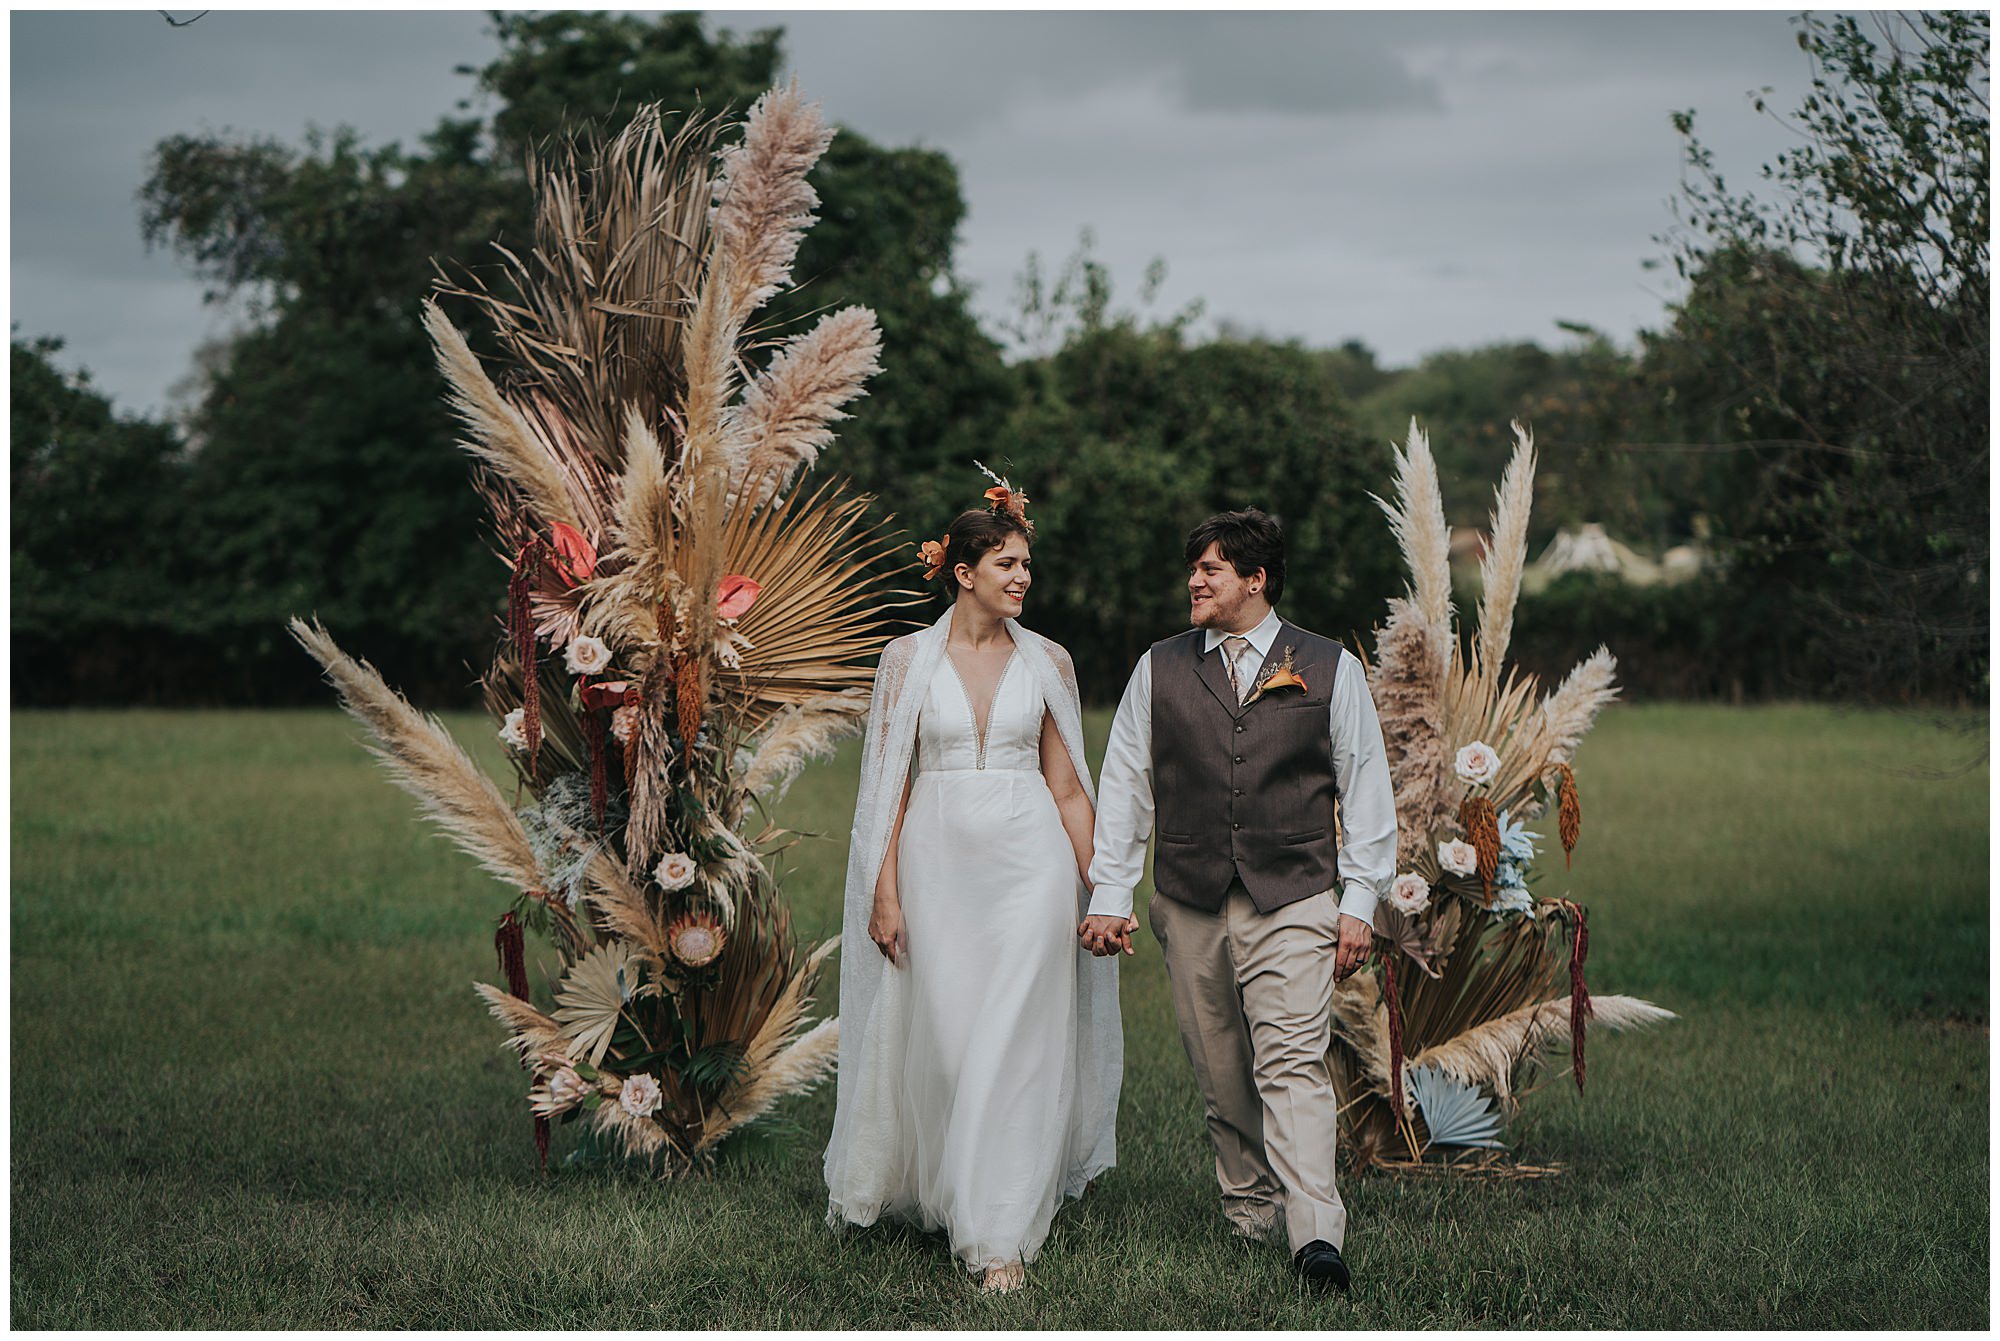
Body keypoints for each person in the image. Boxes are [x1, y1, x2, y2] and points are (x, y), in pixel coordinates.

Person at [1079, 507, 1395, 1294]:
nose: (1195, 579)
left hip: (1292, 897)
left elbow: (1365, 787)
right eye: (1194, 567)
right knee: (1221, 1070)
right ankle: (1251, 1208)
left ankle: (1315, 1232)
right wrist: (1112, 892)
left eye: (1211, 568)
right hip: (1188, 900)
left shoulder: (1328, 666)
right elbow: (1125, 784)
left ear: (1256, 580)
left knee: (1291, 1064)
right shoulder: (1158, 667)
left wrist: (1359, 901)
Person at [823, 474, 1121, 1294]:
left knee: (1015, 1045)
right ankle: (951, 1187)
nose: (1022, 577)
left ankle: (997, 1237)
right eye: (1006, 564)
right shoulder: (907, 661)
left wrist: (1105, 889)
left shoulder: (1050, 660)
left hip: (1034, 867)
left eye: (1027, 564)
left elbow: (1067, 788)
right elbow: (888, 789)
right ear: (962, 571)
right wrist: (882, 890)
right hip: (937, 866)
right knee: (952, 1042)